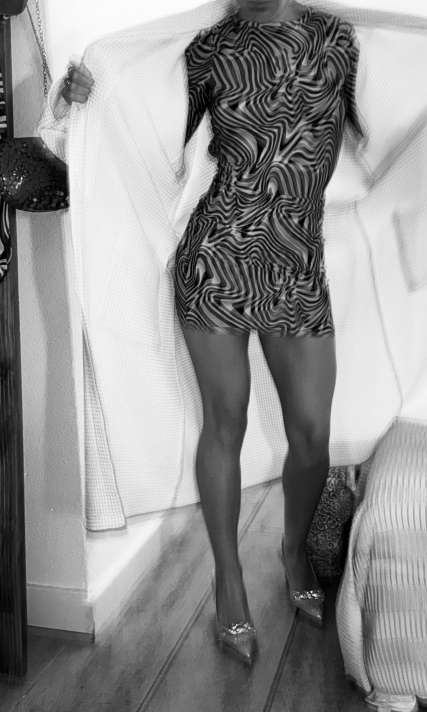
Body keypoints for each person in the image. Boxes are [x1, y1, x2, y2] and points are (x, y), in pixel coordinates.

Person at [59, 0, 365, 667]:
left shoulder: (339, 39)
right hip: (217, 260)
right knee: (223, 424)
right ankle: (229, 583)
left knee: (312, 432)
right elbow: (143, 124)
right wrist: (88, 99)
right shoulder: (209, 49)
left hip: (298, 265)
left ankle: (292, 550)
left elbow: (388, 122)